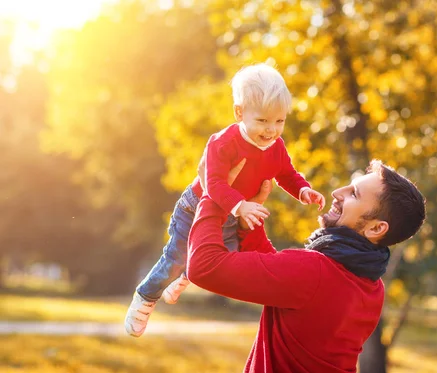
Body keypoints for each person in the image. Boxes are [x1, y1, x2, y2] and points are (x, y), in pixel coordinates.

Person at [124, 63, 325, 337]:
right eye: (263, 121)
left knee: (224, 258)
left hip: (231, 213)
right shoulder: (223, 143)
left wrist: (303, 190)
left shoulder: (276, 146)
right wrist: (241, 205)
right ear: (240, 113)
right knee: (175, 257)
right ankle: (146, 296)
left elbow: (286, 173)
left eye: (279, 121)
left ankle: (185, 276)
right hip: (197, 207)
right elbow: (215, 184)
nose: (271, 130)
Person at [187, 159, 426, 372]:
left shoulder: (315, 271)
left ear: (376, 228)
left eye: (354, 194)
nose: (337, 192)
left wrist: (213, 195)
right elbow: (281, 281)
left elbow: (203, 266)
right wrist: (251, 221)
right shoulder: (372, 287)